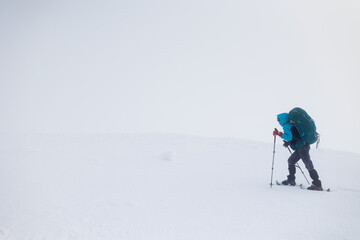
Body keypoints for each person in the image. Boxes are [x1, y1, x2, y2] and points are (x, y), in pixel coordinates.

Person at [273, 112, 323, 191]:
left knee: (308, 165)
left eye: (278, 120)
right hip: (301, 147)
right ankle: (291, 180)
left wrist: (279, 133)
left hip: (302, 148)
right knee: (291, 161)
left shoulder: (286, 126)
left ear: (283, 119)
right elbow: (294, 136)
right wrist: (288, 143)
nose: (278, 122)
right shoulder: (291, 125)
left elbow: (289, 137)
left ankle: (317, 184)